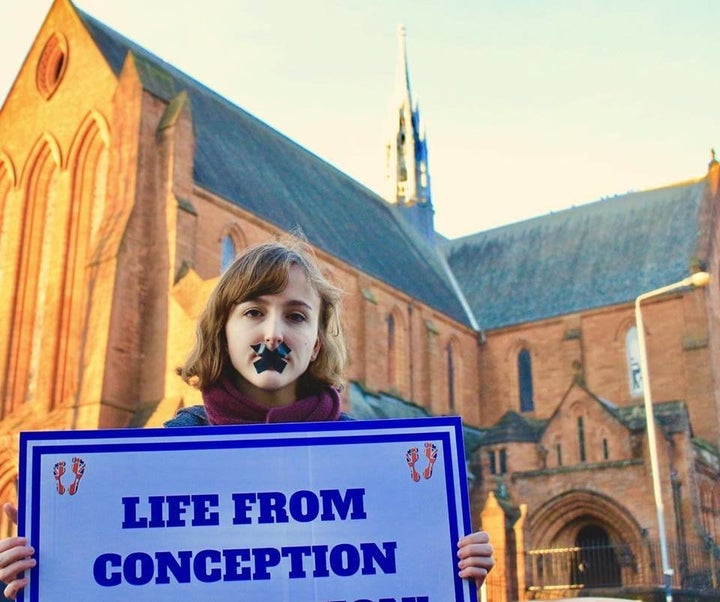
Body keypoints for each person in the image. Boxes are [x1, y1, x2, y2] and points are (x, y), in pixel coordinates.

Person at [0, 236, 494, 599]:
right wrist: (38, 571)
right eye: (253, 312)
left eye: (296, 316)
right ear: (224, 332)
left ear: (316, 342)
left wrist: (455, 568)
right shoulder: (171, 444)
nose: (273, 334)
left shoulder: (368, 455)